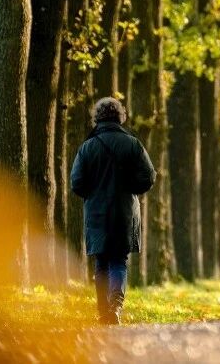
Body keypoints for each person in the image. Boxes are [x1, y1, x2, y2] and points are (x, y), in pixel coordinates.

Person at [71, 97, 156, 325]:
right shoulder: (133, 144)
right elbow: (149, 177)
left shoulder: (87, 147)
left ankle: (102, 312)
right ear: (121, 117)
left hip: (97, 212)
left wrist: (95, 192)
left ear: (97, 118)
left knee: (101, 262)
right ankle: (115, 306)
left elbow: (76, 183)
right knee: (119, 260)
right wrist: (130, 189)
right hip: (124, 211)